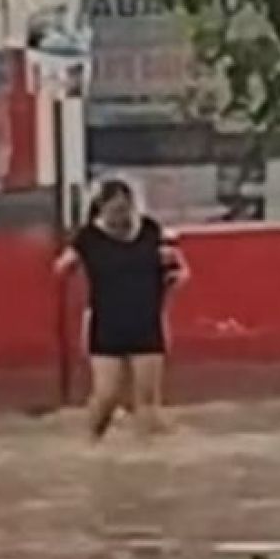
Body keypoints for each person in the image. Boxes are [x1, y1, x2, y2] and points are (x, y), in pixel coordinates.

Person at [55, 178, 188, 441]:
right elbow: (61, 267)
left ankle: (146, 457)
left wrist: (180, 273)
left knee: (147, 402)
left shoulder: (150, 231)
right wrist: (71, 266)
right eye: (114, 211)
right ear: (101, 209)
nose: (121, 217)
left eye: (125, 210)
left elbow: (176, 264)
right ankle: (90, 444)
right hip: (106, 325)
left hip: (146, 322)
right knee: (106, 396)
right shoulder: (89, 237)